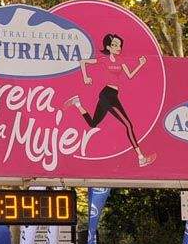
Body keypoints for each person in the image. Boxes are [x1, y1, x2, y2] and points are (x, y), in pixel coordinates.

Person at [66, 33, 156, 167]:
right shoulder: (104, 59)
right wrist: (86, 77)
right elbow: (82, 61)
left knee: (93, 124)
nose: (118, 47)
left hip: (112, 95)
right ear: (108, 47)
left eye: (119, 45)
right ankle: (141, 157)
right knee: (128, 124)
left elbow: (130, 75)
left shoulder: (121, 60)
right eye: (114, 45)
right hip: (107, 95)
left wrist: (141, 64)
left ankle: (77, 103)